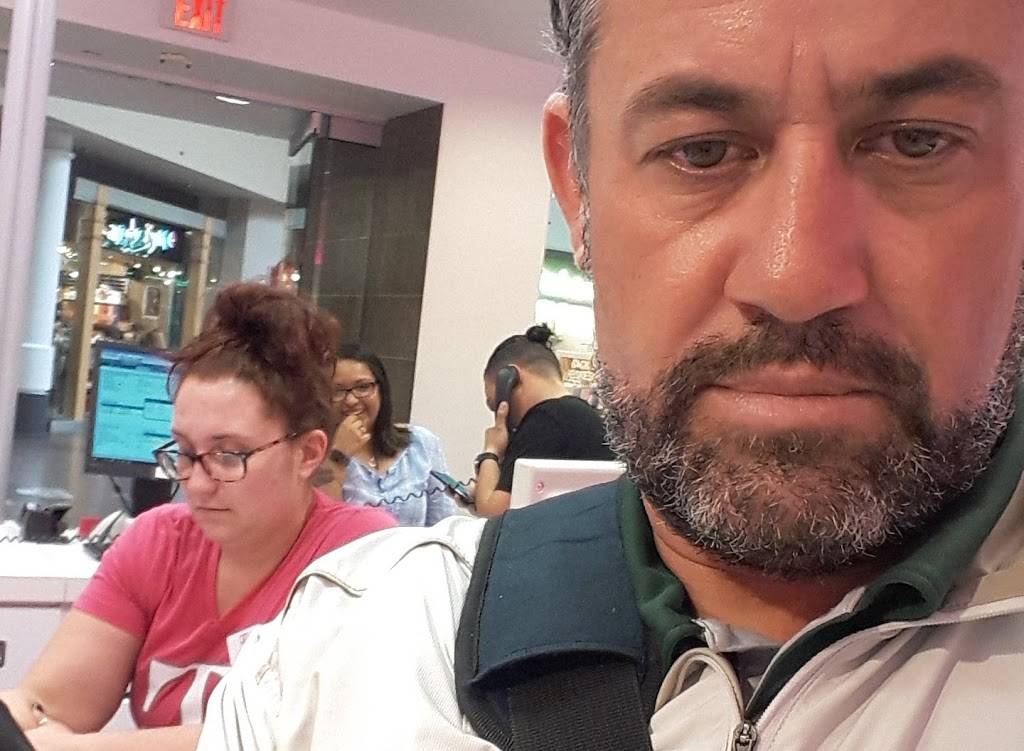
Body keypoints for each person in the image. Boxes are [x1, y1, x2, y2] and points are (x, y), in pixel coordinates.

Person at [198, 0, 1024, 748]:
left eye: (919, 142)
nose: (795, 278)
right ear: (577, 187)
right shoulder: (347, 664)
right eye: (701, 151)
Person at [0, 283, 396, 750]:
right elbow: (44, 710)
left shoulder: (363, 557)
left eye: (229, 455)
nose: (197, 483)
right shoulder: (158, 542)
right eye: (186, 452)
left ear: (308, 453)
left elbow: (297, 737)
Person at [473, 323, 613, 516]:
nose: (496, 411)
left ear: (510, 379)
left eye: (494, 403)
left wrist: (491, 450)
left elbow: (492, 514)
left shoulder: (546, 422)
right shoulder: (579, 416)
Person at [317, 343, 459, 526]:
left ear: (381, 390)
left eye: (362, 387)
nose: (351, 400)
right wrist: (339, 455)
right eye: (338, 391)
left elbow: (444, 524)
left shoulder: (421, 443)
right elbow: (326, 525)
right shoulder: (314, 453)